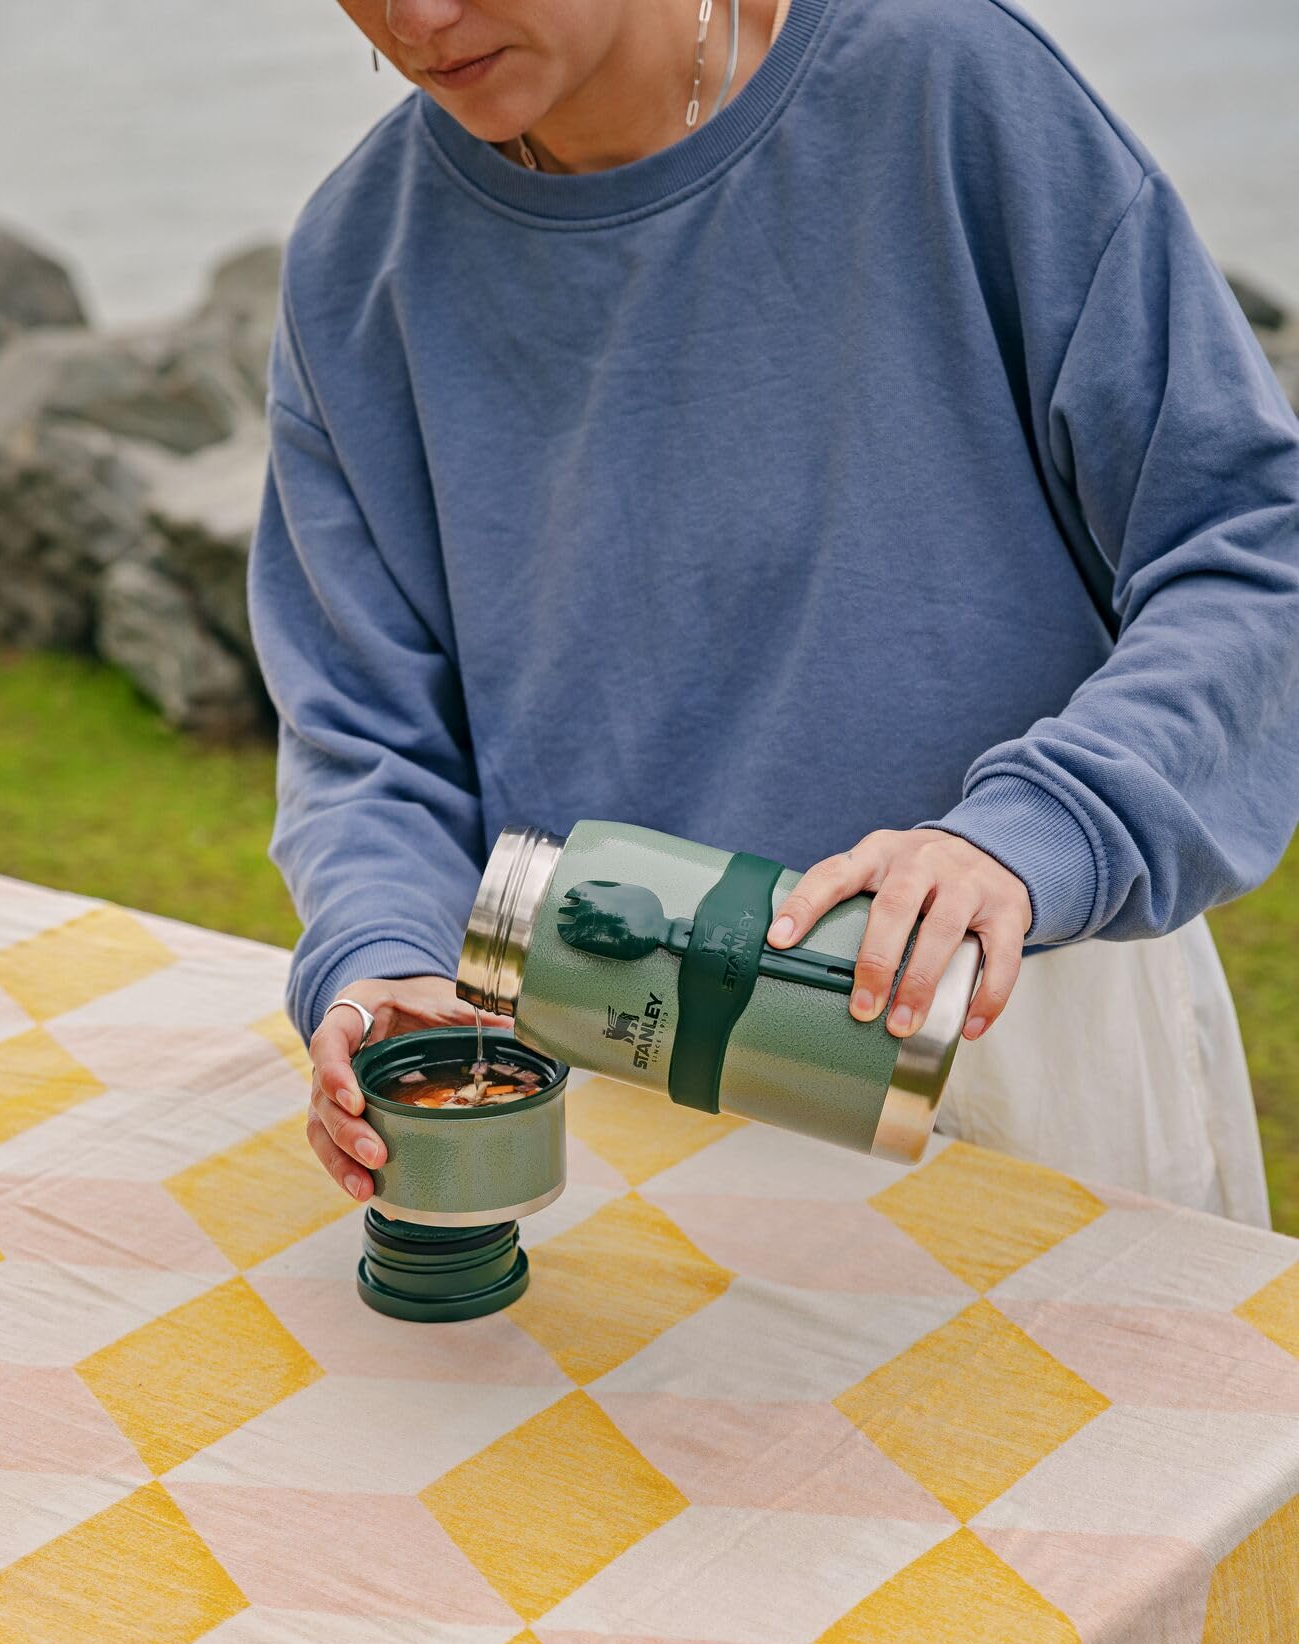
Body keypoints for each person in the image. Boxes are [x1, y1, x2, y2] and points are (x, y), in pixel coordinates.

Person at [248, 0, 1299, 1226]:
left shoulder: (947, 92)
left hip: (1007, 1026)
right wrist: (386, 949)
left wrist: (1037, 829)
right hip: (606, 1082)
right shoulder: (352, 261)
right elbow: (363, 734)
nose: (417, 18)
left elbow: (1245, 547)